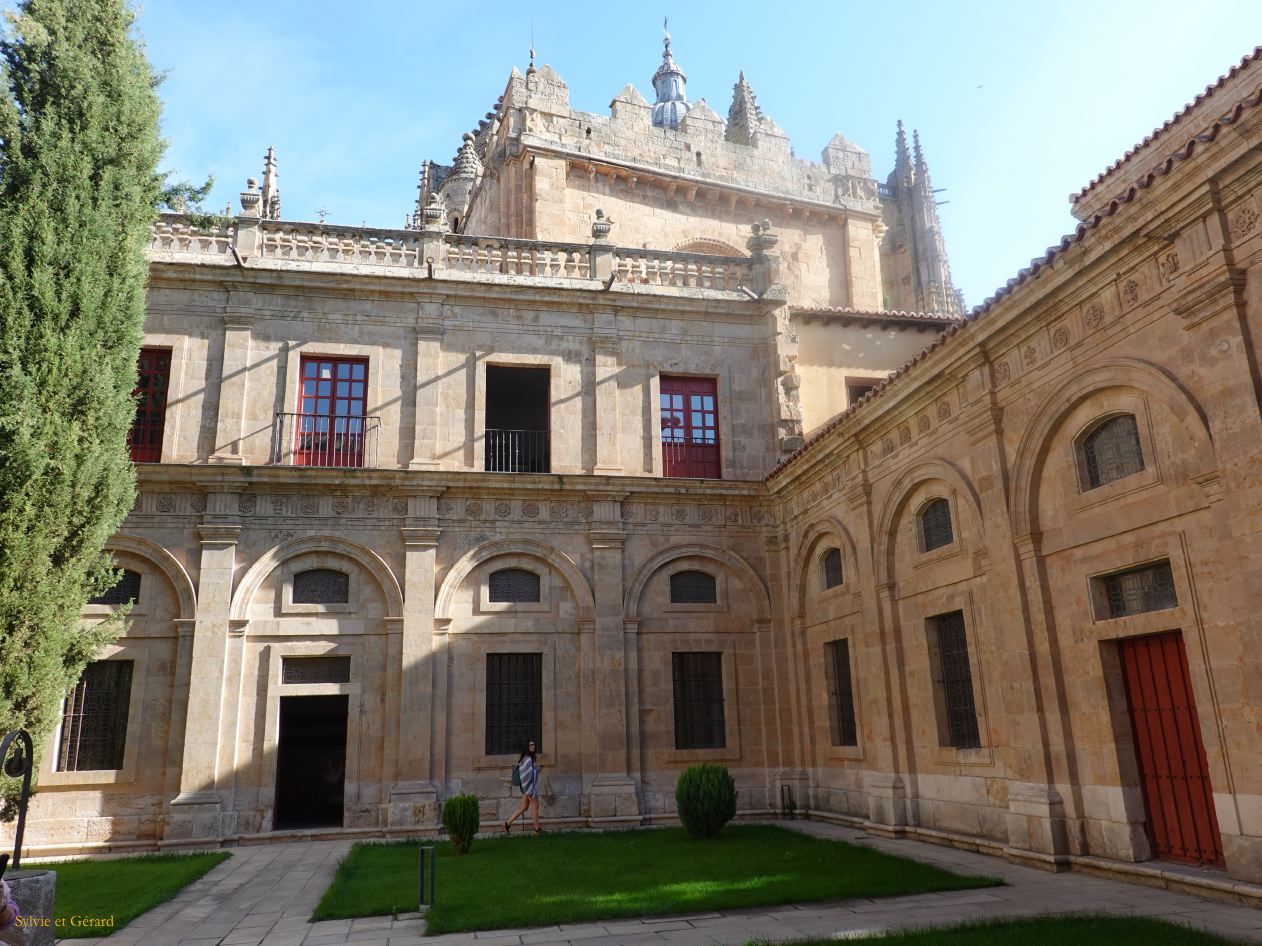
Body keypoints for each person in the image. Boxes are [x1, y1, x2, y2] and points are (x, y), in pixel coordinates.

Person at [503, 739, 542, 835]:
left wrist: (536, 769)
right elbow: (526, 776)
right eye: (530, 745)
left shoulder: (526, 758)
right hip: (528, 788)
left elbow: (527, 773)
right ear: (527, 747)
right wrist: (537, 770)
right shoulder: (528, 759)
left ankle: (507, 824)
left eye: (534, 744)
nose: (533, 746)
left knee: (523, 807)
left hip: (525, 788)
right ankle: (537, 830)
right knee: (535, 806)